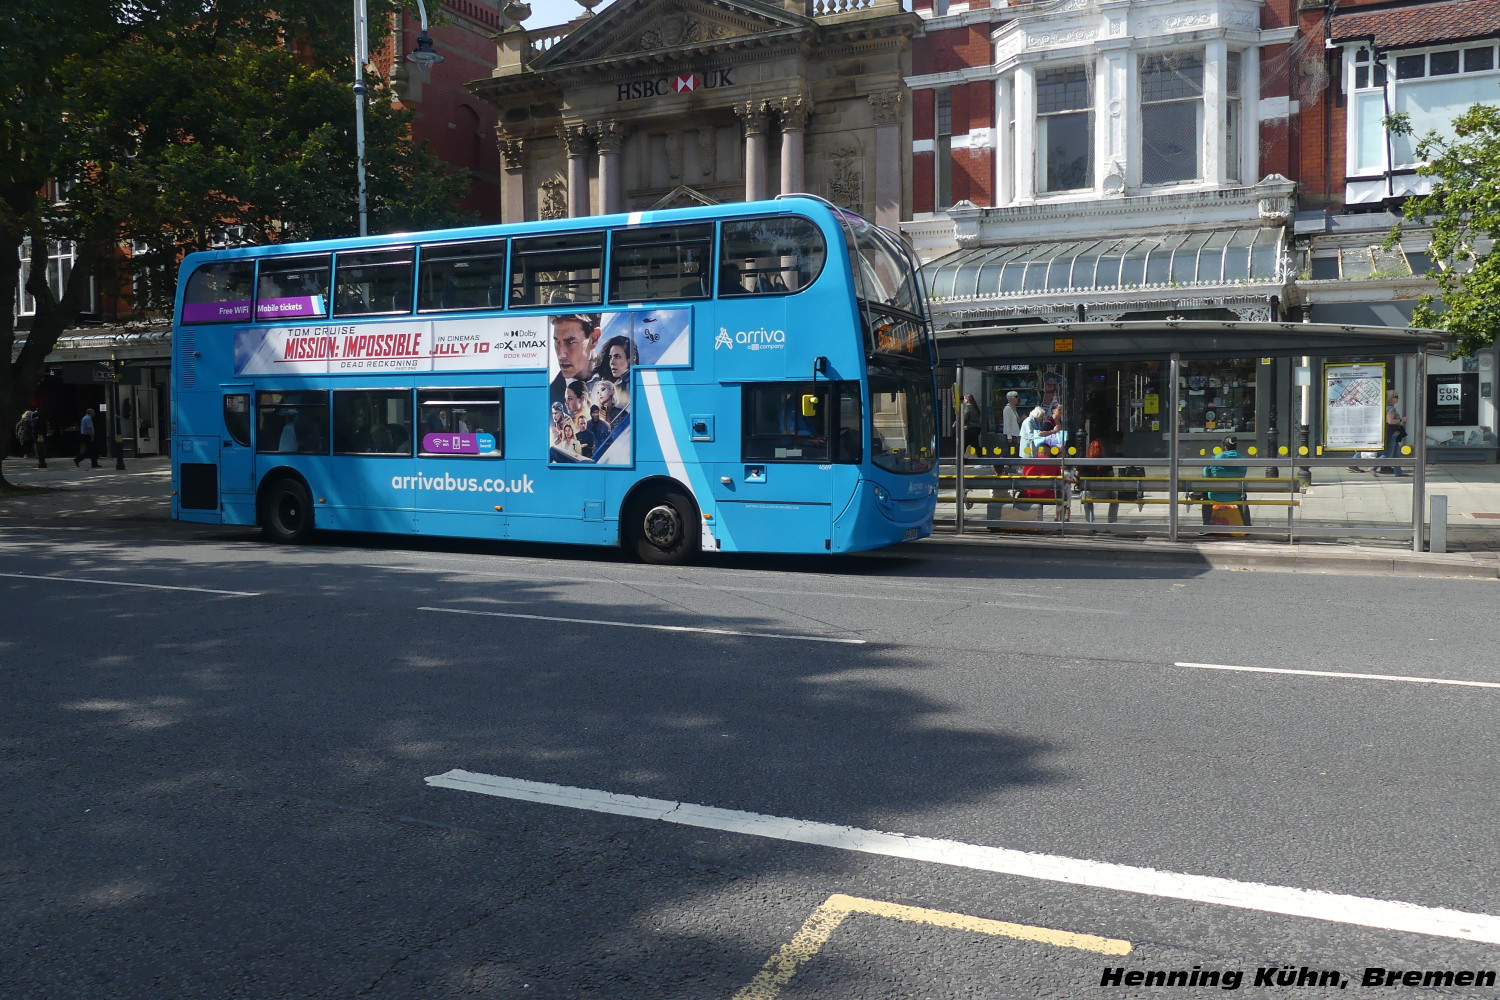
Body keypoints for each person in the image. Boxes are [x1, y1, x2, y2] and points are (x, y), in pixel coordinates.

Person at [549, 314, 601, 408]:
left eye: (570, 342)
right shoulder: (550, 398)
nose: (561, 355)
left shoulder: (622, 378)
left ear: (594, 338)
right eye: (557, 342)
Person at [1202, 434, 1251, 526]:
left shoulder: (1215, 458)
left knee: (1206, 497)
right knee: (1243, 496)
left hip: (1216, 495)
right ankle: (1247, 524)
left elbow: (1205, 474)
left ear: (1224, 447)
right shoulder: (1242, 459)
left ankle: (1206, 525)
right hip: (1236, 495)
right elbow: (1243, 474)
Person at [1079, 440, 1119, 524]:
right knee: (1115, 497)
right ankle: (1111, 522)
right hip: (1104, 493)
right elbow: (1112, 476)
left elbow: (1077, 476)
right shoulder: (1106, 462)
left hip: (1088, 493)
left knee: (1086, 498)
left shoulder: (1084, 462)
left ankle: (1090, 522)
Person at [1377, 390, 1408, 476]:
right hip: (1392, 432)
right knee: (1388, 453)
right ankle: (1373, 467)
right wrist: (1402, 420)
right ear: (1391, 398)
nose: (1398, 398)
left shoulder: (1387, 408)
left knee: (1396, 454)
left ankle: (1398, 472)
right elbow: (1390, 421)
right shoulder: (1391, 409)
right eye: (1396, 397)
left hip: (1392, 432)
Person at [1001, 391, 1021, 457]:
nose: (1018, 398)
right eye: (1016, 397)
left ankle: (1006, 464)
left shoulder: (1013, 408)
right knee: (1008, 451)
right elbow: (1007, 423)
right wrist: (1009, 436)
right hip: (1011, 434)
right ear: (1011, 398)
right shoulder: (1007, 409)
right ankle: (1001, 464)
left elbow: (1016, 421)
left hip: (1015, 434)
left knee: (1012, 452)